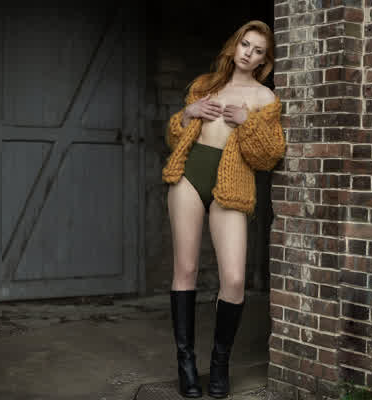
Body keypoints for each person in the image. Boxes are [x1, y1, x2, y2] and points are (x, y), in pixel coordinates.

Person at [162, 20, 285, 399]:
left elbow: (268, 156)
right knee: (185, 269)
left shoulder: (265, 98)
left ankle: (219, 364)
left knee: (233, 279)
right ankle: (185, 363)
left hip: (232, 185)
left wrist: (247, 123)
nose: (249, 53)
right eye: (245, 44)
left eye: (258, 50)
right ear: (235, 46)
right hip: (188, 177)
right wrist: (188, 114)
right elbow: (175, 137)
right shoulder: (205, 85)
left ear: (264, 60)